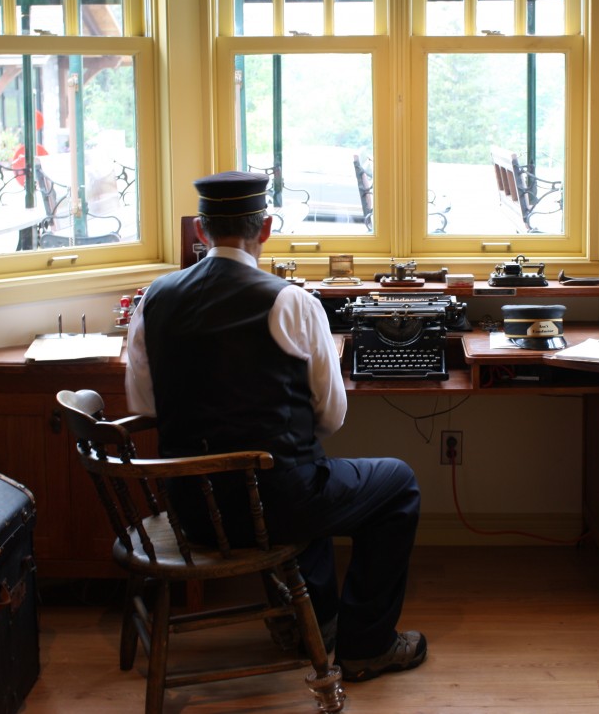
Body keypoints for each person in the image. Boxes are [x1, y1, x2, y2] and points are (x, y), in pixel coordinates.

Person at [124, 170, 426, 683]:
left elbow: (144, 404)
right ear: (265, 228)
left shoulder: (154, 299)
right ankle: (368, 644)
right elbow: (331, 417)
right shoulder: (292, 302)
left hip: (192, 511)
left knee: (307, 479)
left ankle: (312, 624)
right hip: (276, 504)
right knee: (394, 484)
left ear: (200, 230)